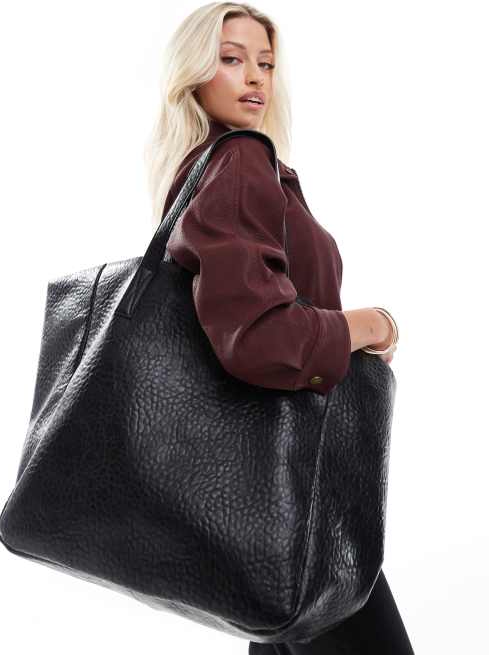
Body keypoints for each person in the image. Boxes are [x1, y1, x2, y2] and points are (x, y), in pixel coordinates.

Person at [145, 3, 413, 653]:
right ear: (193, 73)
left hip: (267, 497)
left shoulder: (207, 168)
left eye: (264, 63)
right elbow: (260, 337)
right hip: (296, 497)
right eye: (230, 59)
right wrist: (369, 324)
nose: (254, 78)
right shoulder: (239, 160)